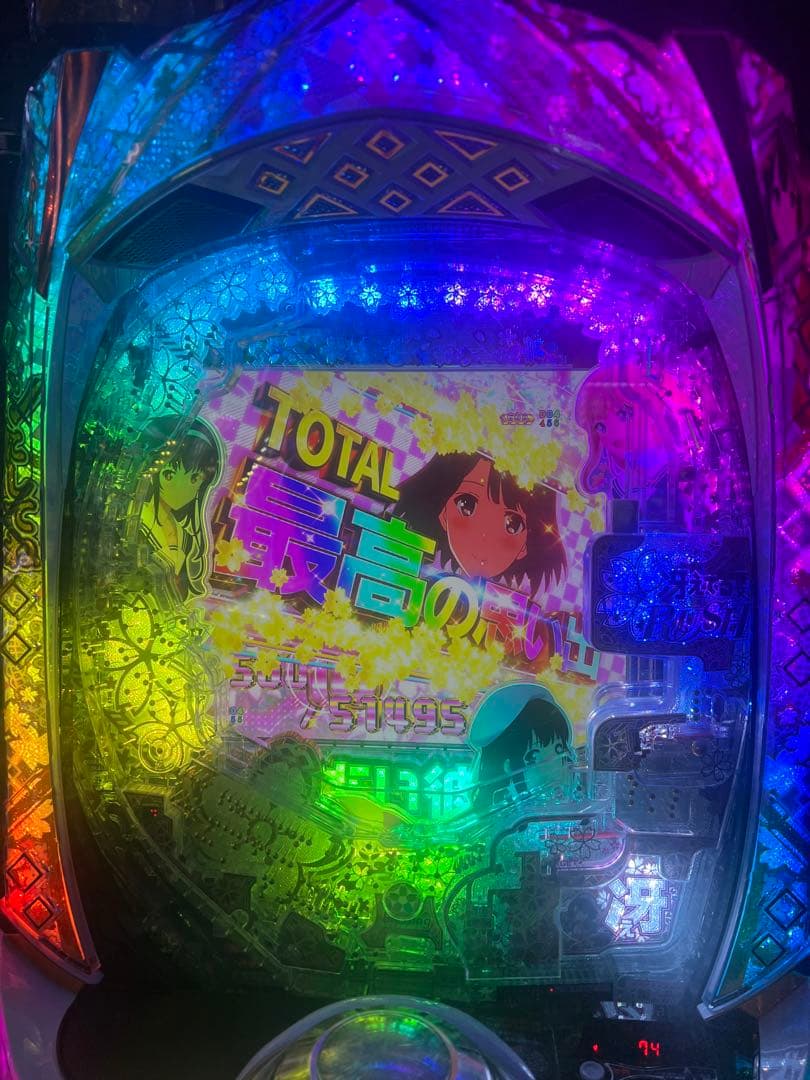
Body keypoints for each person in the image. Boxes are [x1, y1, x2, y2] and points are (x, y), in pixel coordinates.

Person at [393, 452, 566, 594]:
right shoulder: (406, 567)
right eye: (466, 505)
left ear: (526, 545)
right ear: (443, 512)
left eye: (513, 525)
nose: (485, 536)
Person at [574, 359, 685, 513]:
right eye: (600, 426)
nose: (612, 432)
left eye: (622, 414)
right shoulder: (613, 476)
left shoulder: (672, 467)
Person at [138, 415, 221, 600]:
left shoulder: (187, 535)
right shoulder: (136, 518)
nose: (181, 489)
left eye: (194, 478)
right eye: (169, 475)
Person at [470, 683, 575, 809]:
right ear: (507, 767)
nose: (555, 768)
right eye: (533, 757)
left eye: (559, 749)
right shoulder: (500, 813)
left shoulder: (571, 804)